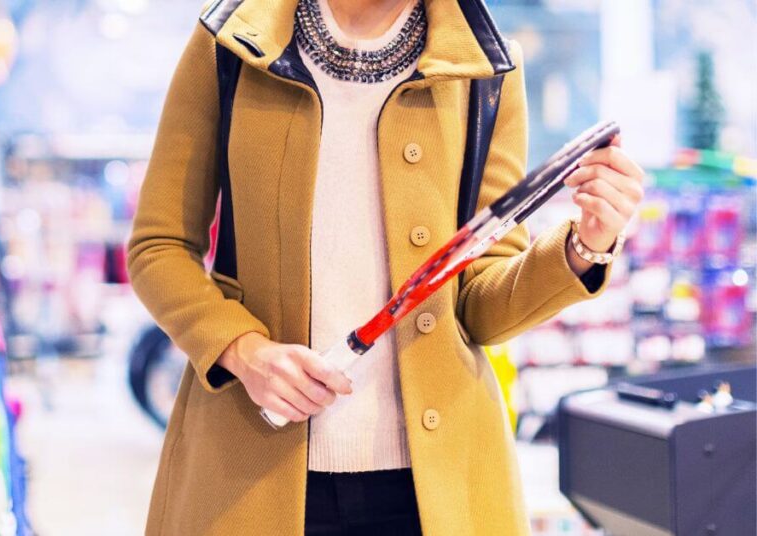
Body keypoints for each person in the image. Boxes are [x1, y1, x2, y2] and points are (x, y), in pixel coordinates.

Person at [127, 0, 645, 534]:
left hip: (434, 490)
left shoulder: (485, 69)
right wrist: (244, 351)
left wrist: (585, 246)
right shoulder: (231, 42)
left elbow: (481, 306)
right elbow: (158, 245)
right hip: (249, 473)